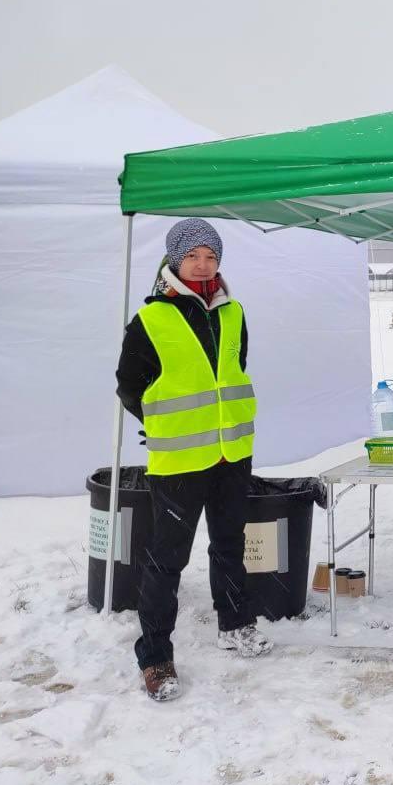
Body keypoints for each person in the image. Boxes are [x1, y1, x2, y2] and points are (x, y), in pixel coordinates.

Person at [116, 219, 272, 702]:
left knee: (229, 543)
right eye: (193, 256)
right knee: (167, 559)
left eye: (211, 256)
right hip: (180, 461)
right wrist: (165, 423)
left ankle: (235, 623)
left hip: (231, 454)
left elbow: (235, 368)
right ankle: (156, 656)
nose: (203, 265)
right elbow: (129, 385)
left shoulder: (233, 311)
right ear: (174, 261)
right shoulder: (152, 319)